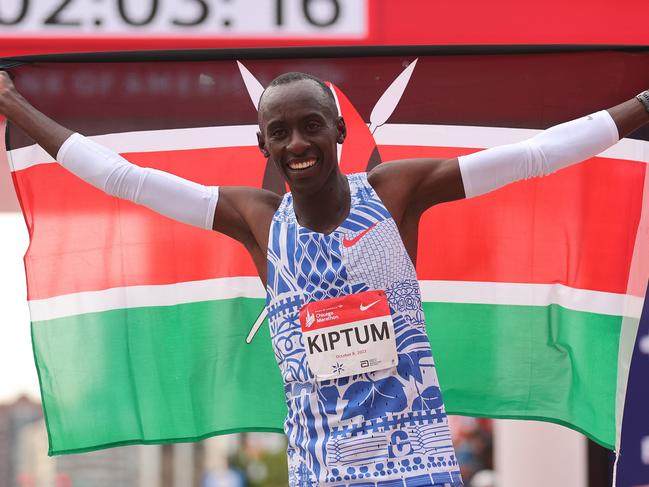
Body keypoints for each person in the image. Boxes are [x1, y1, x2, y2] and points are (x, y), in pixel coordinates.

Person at [1, 69, 648, 487]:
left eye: (311, 124)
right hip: (322, 471)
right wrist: (13, 105)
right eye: (278, 132)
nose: (297, 142)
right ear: (264, 146)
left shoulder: (395, 192)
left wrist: (642, 103)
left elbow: (535, 156)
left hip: (417, 467)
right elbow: (123, 178)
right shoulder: (255, 219)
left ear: (338, 129)